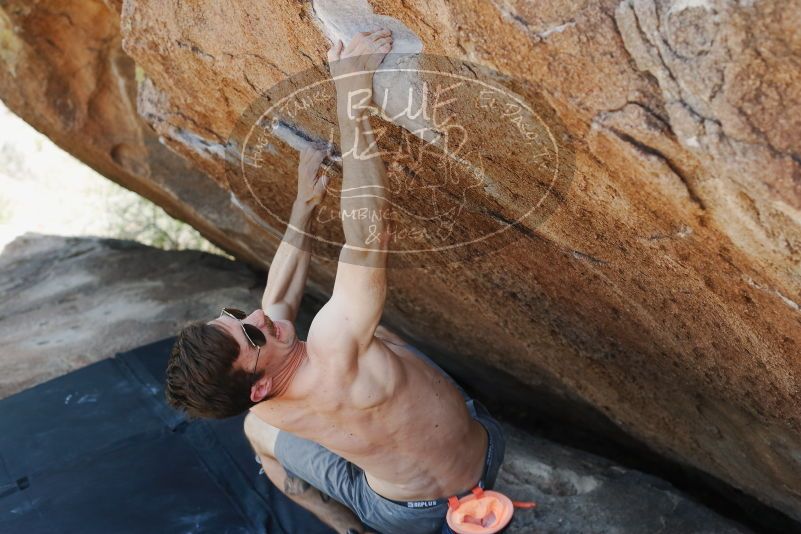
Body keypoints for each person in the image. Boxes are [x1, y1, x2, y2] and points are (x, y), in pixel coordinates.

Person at [165, 28, 505, 534]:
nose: (257, 316)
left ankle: (342, 525)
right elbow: (369, 236)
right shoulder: (333, 345)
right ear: (259, 385)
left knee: (257, 434)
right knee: (378, 336)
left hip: (405, 510)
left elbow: (276, 300)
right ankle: (348, 525)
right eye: (251, 334)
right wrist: (352, 93)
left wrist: (305, 204)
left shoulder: (265, 403)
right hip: (470, 464)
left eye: (237, 317)